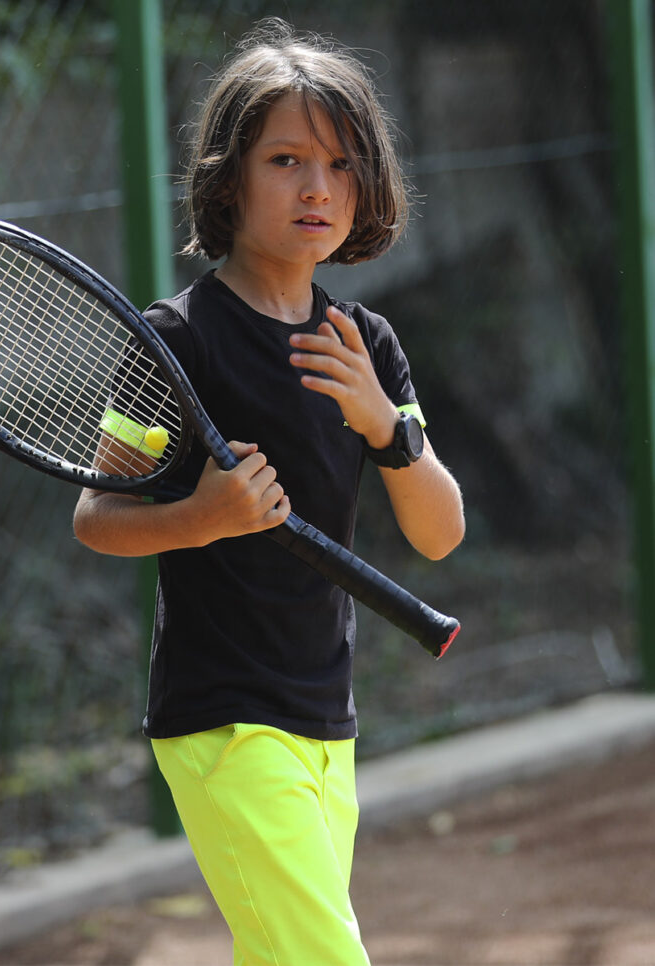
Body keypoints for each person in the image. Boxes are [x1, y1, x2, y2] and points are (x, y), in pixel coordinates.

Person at [74, 18, 465, 966]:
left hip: (327, 719)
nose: (316, 187)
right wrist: (205, 517)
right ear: (228, 181)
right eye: (285, 159)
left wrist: (388, 427)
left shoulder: (366, 346)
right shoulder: (174, 340)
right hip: (223, 720)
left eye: (338, 164)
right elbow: (97, 520)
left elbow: (440, 533)